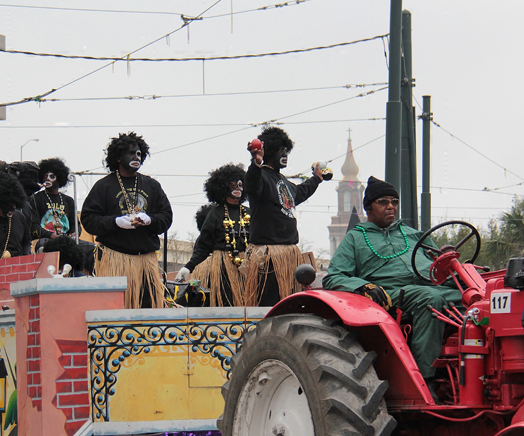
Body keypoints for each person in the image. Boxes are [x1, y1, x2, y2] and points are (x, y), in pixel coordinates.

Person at [322, 176, 462, 386]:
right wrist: (363, 286)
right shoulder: (355, 238)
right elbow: (334, 277)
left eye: (394, 202)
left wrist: (459, 273)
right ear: (368, 208)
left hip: (431, 286)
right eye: (383, 202)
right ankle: (425, 380)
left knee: (478, 298)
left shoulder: (413, 234)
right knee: (430, 298)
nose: (391, 207)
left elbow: (440, 263)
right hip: (393, 294)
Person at [80, 132, 173, 309]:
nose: (136, 157)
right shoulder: (104, 186)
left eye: (139, 154)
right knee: (115, 310)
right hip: (115, 261)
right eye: (131, 153)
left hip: (146, 262)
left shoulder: (151, 185)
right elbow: (89, 220)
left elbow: (166, 217)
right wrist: (115, 222)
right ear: (118, 157)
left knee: (149, 310)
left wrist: (150, 220)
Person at [243, 126, 324, 306]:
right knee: (270, 303)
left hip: (288, 255)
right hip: (269, 257)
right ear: (270, 151)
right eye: (281, 150)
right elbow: (251, 184)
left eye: (287, 150)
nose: (285, 154)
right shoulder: (261, 176)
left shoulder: (283, 181)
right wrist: (255, 162)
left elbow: (300, 192)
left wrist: (316, 179)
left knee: (290, 303)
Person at [176, 164, 249, 307]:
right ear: (223, 187)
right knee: (227, 303)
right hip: (223, 269)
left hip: (247, 268)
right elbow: (203, 246)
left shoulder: (249, 213)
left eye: (240, 185)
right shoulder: (215, 214)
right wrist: (188, 267)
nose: (238, 188)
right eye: (233, 185)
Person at [30, 158, 78, 247]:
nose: (47, 179)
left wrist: (74, 234)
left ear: (59, 179)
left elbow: (75, 224)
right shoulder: (35, 199)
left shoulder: (68, 200)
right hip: (44, 240)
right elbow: (34, 227)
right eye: (45, 176)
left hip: (66, 241)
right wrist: (52, 236)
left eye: (51, 176)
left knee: (91, 248)